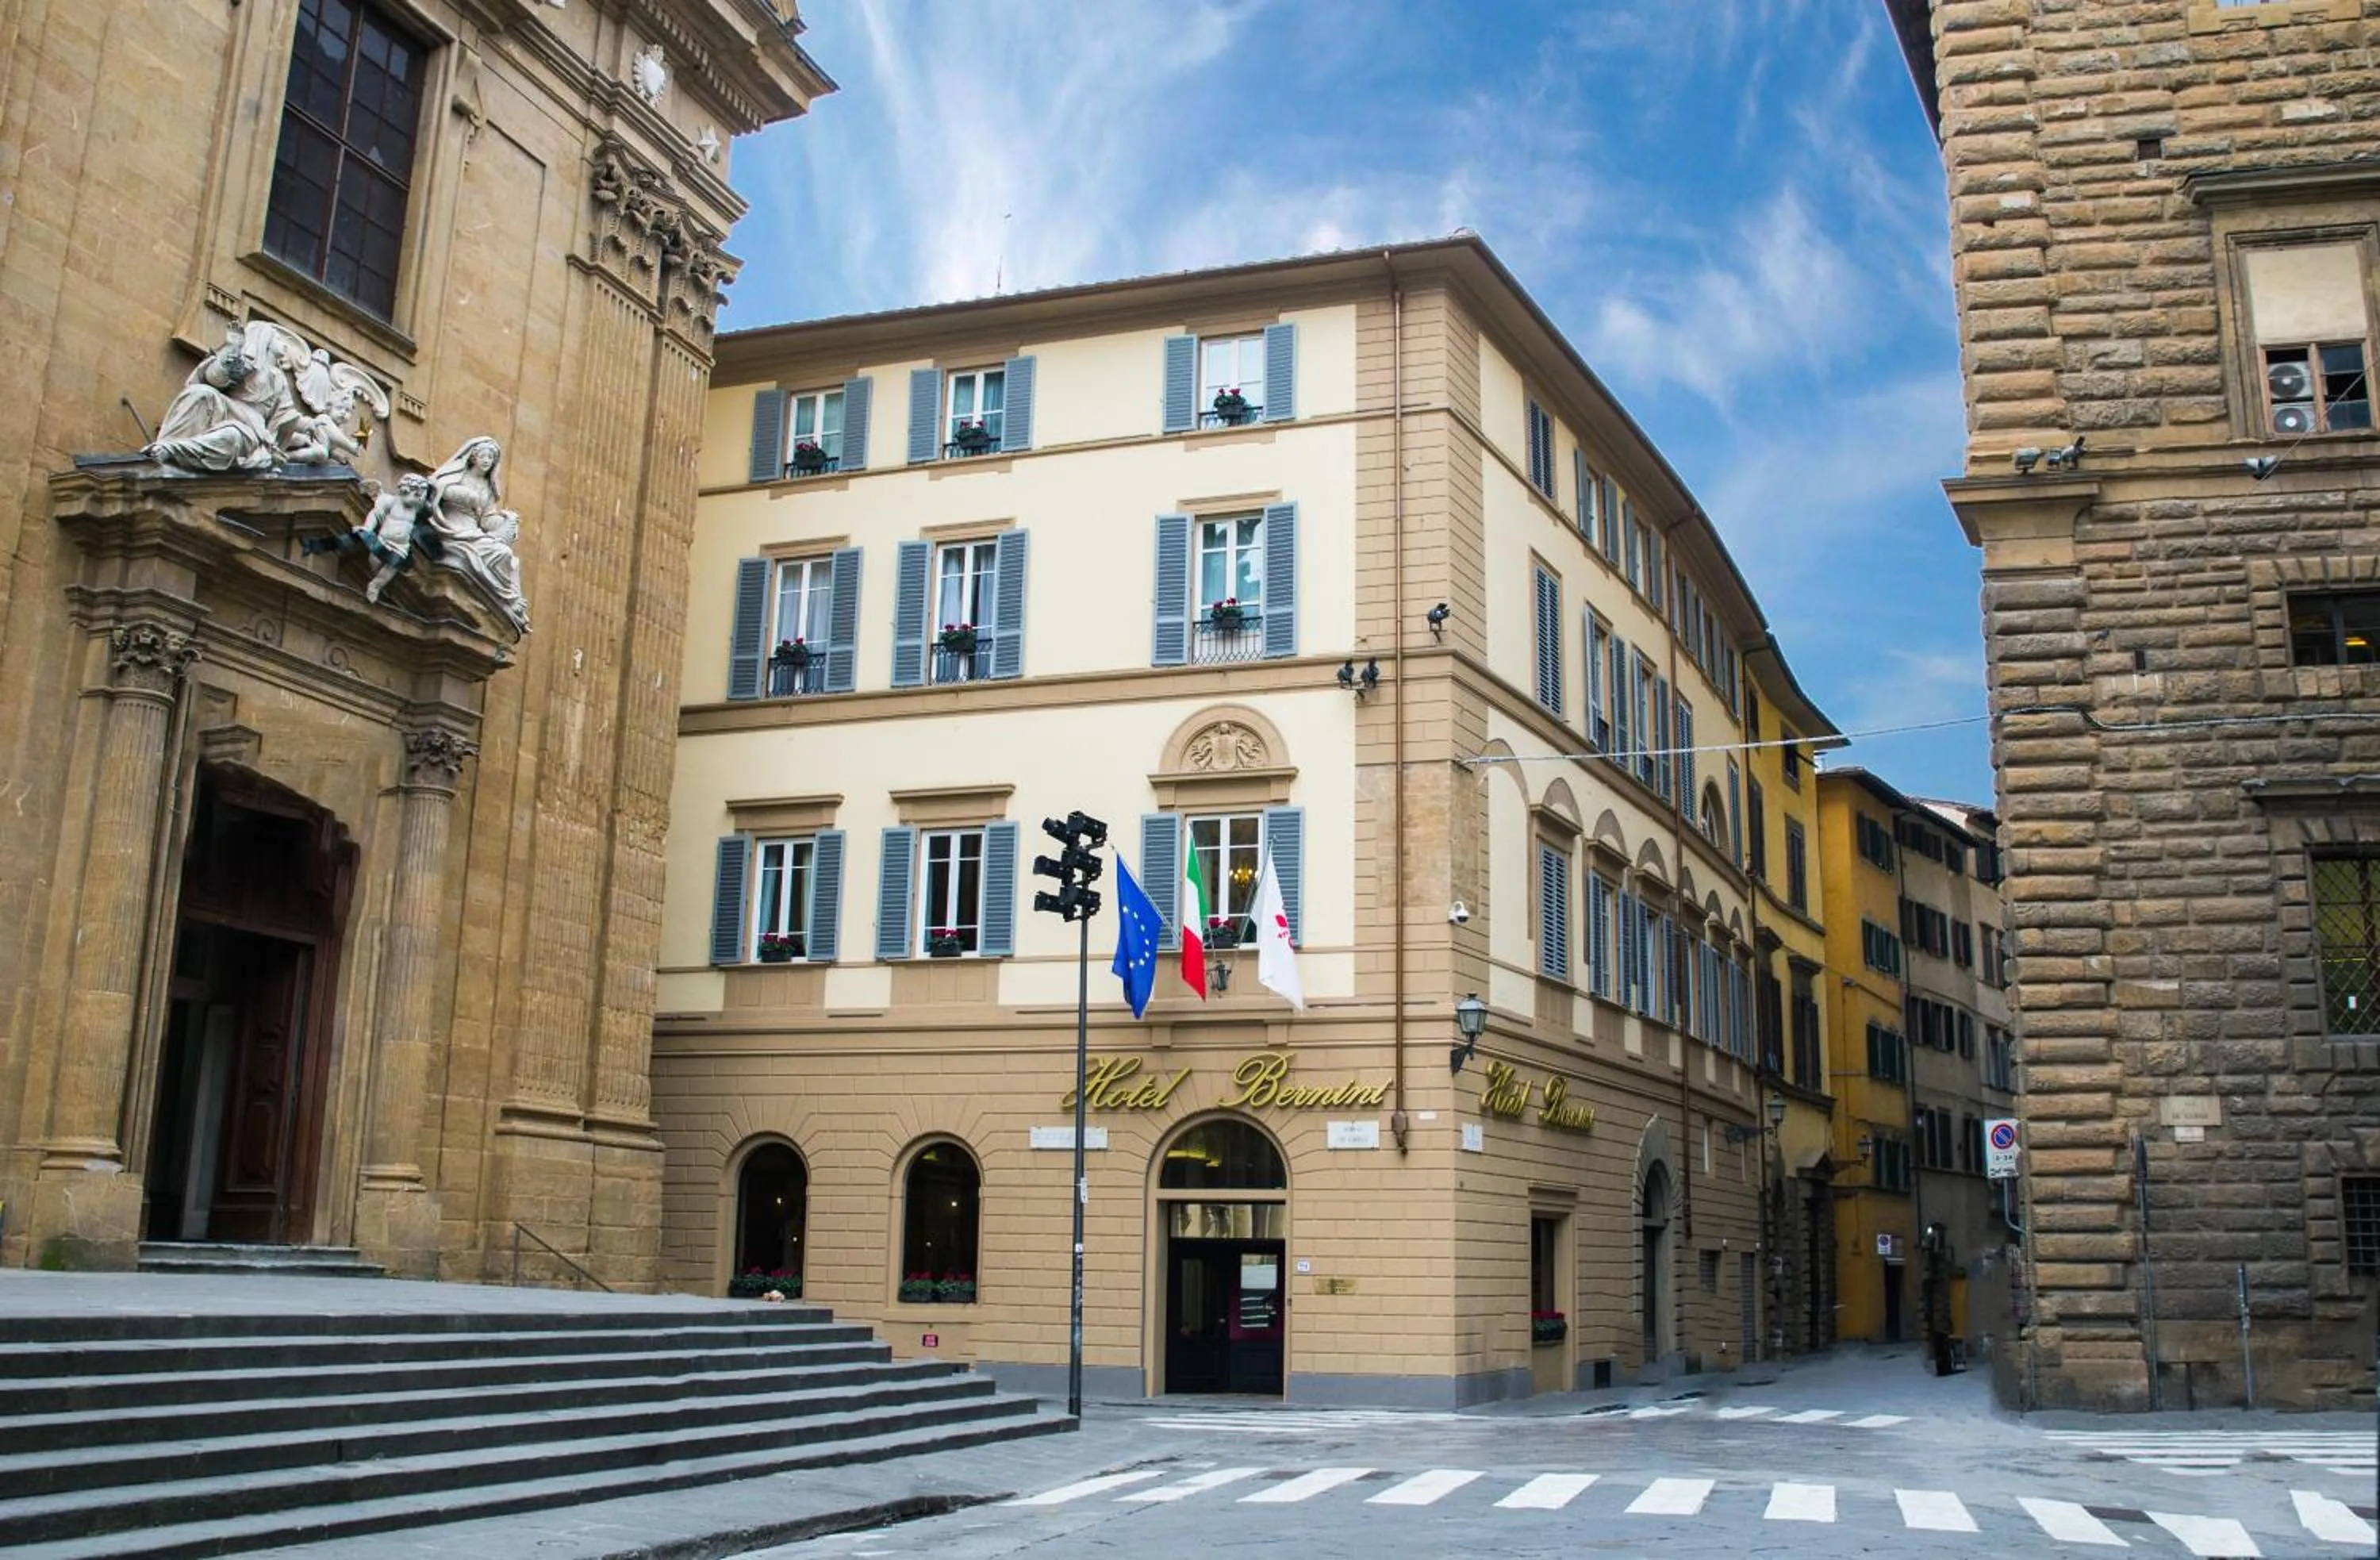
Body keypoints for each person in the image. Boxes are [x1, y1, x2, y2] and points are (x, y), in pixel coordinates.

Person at [423, 436, 530, 631]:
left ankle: (513, 604)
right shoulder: (458, 475)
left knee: (505, 555)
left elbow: (487, 520)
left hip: (472, 530)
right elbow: (437, 488)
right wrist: (465, 495)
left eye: (491, 458)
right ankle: (509, 603)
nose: (488, 460)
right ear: (473, 457)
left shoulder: (487, 488)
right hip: (452, 526)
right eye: (484, 456)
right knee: (490, 552)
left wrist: (507, 522)